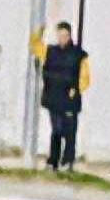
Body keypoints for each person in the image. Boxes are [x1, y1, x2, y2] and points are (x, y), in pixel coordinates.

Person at [35, 21, 91, 172]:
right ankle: (53, 161)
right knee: (57, 131)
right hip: (53, 98)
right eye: (60, 36)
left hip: (70, 99)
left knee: (70, 132)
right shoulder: (50, 51)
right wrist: (39, 30)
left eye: (65, 36)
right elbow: (35, 47)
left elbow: (85, 78)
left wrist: (75, 90)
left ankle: (68, 161)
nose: (62, 39)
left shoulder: (79, 54)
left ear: (69, 35)